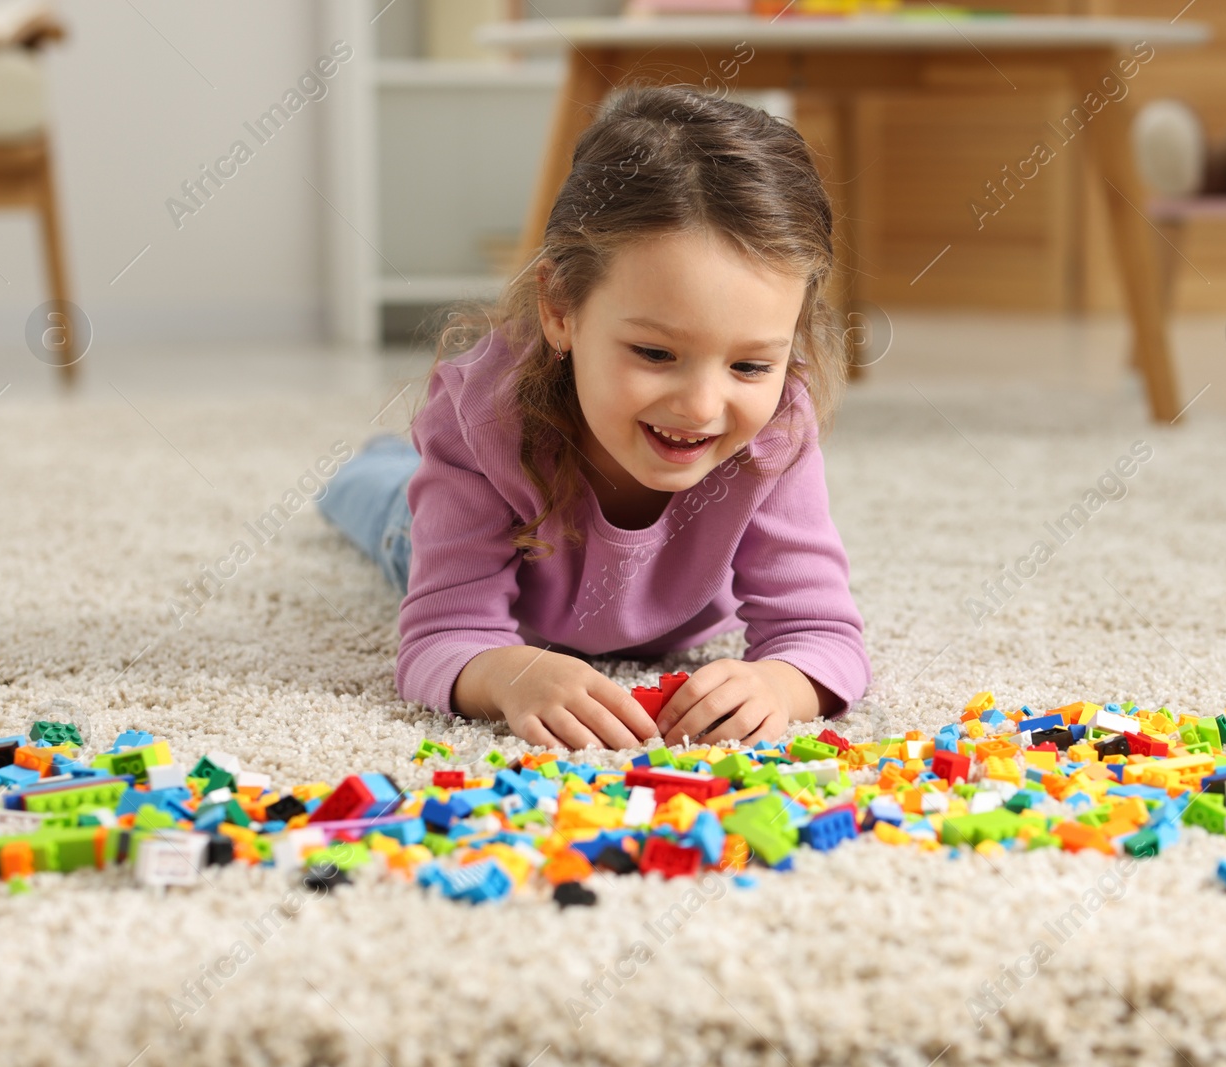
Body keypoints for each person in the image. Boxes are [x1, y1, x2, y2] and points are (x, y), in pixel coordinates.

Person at [318, 83, 869, 750]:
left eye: (750, 366)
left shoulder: (776, 426)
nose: (700, 406)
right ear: (560, 309)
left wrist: (781, 685)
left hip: (665, 612)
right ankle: (384, 465)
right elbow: (441, 635)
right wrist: (510, 672)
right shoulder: (481, 419)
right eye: (655, 352)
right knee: (375, 501)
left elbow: (823, 635)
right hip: (432, 528)